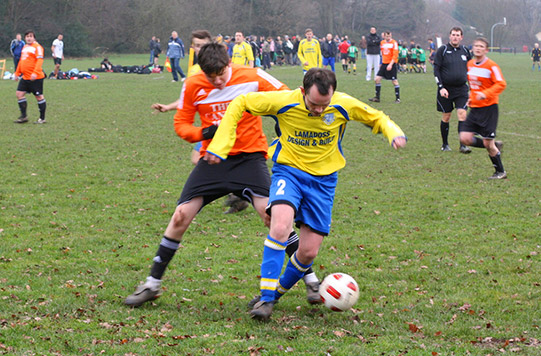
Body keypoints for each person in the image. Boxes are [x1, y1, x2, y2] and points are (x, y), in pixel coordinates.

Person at [125, 43, 321, 308]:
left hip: (249, 158)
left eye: (221, 74)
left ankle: (311, 280)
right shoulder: (193, 84)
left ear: (229, 63)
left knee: (273, 218)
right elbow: (181, 125)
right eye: (210, 76)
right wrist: (206, 133)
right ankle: (151, 284)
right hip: (213, 158)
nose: (217, 81)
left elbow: (287, 96)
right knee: (180, 216)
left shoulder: (253, 76)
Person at [204, 68, 407, 321]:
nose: (319, 111)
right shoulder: (284, 101)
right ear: (302, 92)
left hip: (323, 183)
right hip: (289, 173)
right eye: (313, 104)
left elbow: (375, 117)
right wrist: (221, 144)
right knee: (280, 226)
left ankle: (275, 295)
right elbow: (241, 102)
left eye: (325, 105)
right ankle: (265, 299)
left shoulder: (342, 104)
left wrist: (393, 131)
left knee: (308, 252)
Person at [459, 37, 507, 180]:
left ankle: (500, 172)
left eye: (481, 46)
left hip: (489, 109)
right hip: (475, 108)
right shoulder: (470, 64)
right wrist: (471, 95)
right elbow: (473, 84)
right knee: (465, 138)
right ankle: (495, 145)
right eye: (476, 46)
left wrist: (484, 94)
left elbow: (501, 84)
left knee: (488, 144)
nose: (478, 48)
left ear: (486, 50)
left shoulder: (492, 66)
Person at [433, 27, 472, 153]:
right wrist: (441, 87)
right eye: (453, 35)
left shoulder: (465, 50)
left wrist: (472, 87)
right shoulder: (442, 50)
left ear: (461, 37)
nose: (455, 37)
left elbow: (471, 70)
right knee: (446, 116)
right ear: (449, 36)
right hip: (446, 90)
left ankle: (463, 145)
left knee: (462, 114)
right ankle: (445, 144)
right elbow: (436, 69)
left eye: (458, 35)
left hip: (461, 89)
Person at [14, 30, 47, 124]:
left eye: (31, 36)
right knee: (19, 94)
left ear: (34, 38)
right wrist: (17, 72)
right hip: (25, 77)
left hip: (35, 77)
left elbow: (40, 60)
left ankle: (42, 118)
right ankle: (24, 117)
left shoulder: (38, 47)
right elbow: (21, 61)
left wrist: (35, 72)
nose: (29, 38)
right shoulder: (24, 47)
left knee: (39, 97)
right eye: (27, 36)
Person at [369, 31, 400, 103]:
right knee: (377, 79)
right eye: (387, 36)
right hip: (384, 64)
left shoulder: (394, 43)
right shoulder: (382, 43)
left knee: (394, 81)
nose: (388, 38)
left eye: (389, 36)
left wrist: (390, 64)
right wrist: (380, 63)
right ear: (384, 36)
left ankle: (397, 99)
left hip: (391, 64)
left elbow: (395, 55)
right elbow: (381, 54)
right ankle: (377, 97)